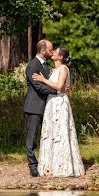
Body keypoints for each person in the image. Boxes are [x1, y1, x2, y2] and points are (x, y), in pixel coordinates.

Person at [32, 47, 85, 178]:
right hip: (51, 102)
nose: (53, 53)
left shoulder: (63, 69)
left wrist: (43, 80)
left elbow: (60, 86)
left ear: (61, 57)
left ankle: (63, 166)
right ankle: (50, 166)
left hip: (60, 103)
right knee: (51, 132)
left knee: (60, 132)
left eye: (55, 52)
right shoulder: (54, 70)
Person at [24, 40, 60, 177]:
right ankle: (32, 166)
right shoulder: (32, 65)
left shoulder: (45, 65)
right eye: (50, 50)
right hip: (34, 106)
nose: (52, 52)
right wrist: (56, 90)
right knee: (32, 137)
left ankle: (46, 162)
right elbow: (38, 86)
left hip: (46, 105)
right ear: (42, 50)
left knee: (46, 135)